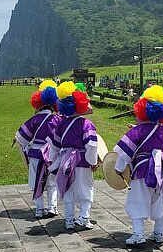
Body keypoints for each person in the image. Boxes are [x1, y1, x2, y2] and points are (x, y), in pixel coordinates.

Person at [114, 85, 163, 246]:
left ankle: (138, 234)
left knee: (138, 201)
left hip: (142, 172)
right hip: (161, 173)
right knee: (159, 201)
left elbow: (124, 153)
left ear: (141, 111)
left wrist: (119, 168)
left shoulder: (136, 132)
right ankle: (159, 233)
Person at [47, 82, 100, 231]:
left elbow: (54, 146)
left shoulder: (61, 124)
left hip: (65, 161)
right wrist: (93, 161)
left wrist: (53, 160)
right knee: (86, 189)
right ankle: (83, 217)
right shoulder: (86, 124)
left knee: (67, 189)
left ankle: (69, 220)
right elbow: (92, 145)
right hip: (82, 161)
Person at [14, 80, 61, 219]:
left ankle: (39, 209)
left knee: (37, 183)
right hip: (52, 155)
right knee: (52, 183)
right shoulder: (57, 119)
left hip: (35, 155)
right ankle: (52, 207)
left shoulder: (34, 120)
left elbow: (21, 139)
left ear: (37, 104)